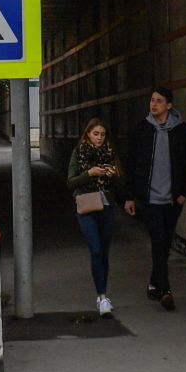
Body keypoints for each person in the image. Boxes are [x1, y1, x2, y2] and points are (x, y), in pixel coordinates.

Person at [122, 86, 186, 312]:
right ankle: (166, 291)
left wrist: (185, 193)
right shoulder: (141, 130)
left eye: (159, 101)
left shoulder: (182, 131)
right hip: (150, 200)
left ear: (169, 105)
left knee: (165, 244)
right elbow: (130, 164)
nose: (153, 104)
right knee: (158, 242)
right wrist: (129, 197)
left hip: (173, 200)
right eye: (152, 100)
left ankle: (154, 285)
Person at [67, 117, 123, 316]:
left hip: (106, 206)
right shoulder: (79, 152)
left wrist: (113, 175)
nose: (99, 138)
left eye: (102, 134)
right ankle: (101, 297)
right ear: (88, 134)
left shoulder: (109, 152)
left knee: (104, 251)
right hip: (87, 206)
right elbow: (70, 182)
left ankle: (104, 294)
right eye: (95, 134)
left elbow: (121, 182)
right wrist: (89, 173)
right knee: (96, 249)